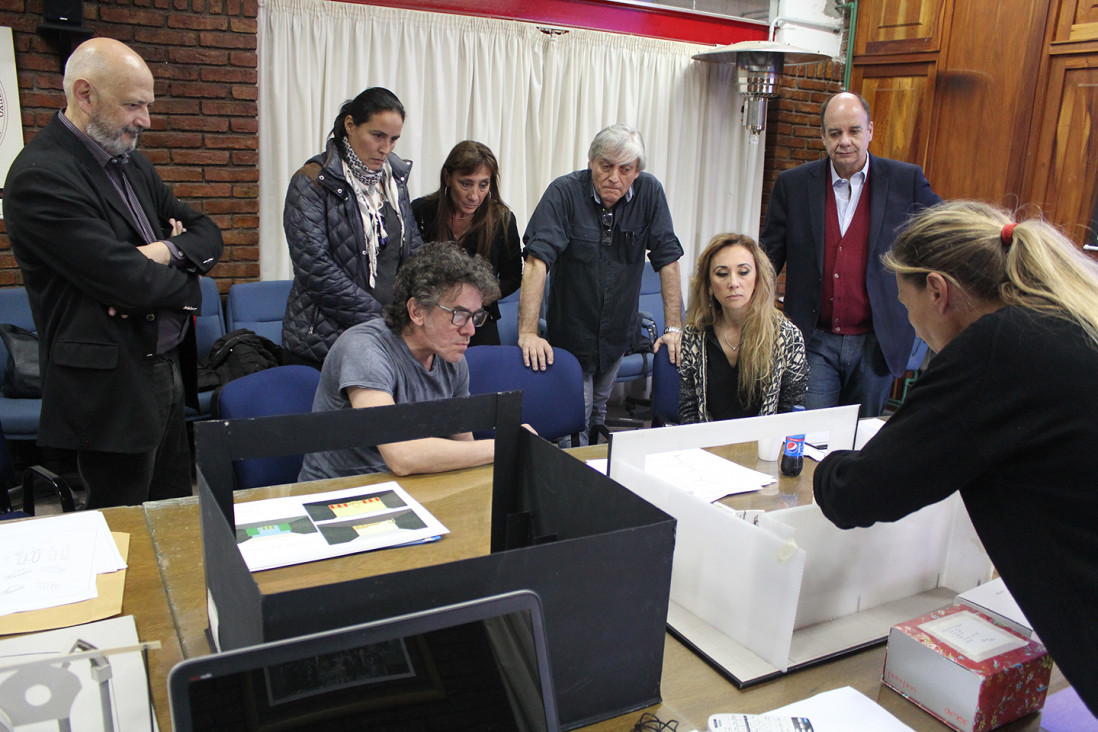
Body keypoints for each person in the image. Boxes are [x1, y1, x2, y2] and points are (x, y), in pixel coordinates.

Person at [813, 201, 1098, 715]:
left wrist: (826, 466)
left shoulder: (998, 349)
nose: (912, 324)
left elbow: (860, 493)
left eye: (905, 305)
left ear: (939, 291)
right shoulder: (1067, 319)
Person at [3, 38, 223, 508]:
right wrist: (192, 281)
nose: (145, 119)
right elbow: (129, 282)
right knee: (122, 524)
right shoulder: (41, 175)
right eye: (133, 105)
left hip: (164, 364)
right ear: (85, 94)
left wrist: (162, 251)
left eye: (146, 105)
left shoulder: (130, 162)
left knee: (171, 505)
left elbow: (207, 232)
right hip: (110, 384)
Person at [760, 91, 941, 418]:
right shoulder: (793, 185)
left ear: (870, 130)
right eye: (835, 133)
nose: (845, 141)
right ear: (822, 136)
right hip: (813, 339)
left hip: (877, 340)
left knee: (861, 438)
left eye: (854, 131)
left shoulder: (905, 181)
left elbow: (943, 232)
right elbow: (767, 259)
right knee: (811, 435)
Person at [518, 123, 683, 442]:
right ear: (591, 162)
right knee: (575, 416)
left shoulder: (650, 193)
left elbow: (668, 259)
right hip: (572, 332)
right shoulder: (564, 192)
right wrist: (527, 331)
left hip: (618, 332)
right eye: (606, 166)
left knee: (600, 412)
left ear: (636, 171)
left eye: (625, 169)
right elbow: (537, 260)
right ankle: (574, 474)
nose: (614, 177)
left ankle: (597, 463)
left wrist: (674, 326)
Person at [299, 241, 501, 480]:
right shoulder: (365, 349)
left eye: (475, 316)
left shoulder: (452, 358)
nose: (470, 330)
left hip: (410, 487)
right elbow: (402, 455)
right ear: (416, 311)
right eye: (458, 314)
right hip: (338, 494)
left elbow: (466, 447)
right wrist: (501, 446)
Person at [282, 87, 423, 368]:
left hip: (383, 337)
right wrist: (383, 319)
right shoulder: (312, 181)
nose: (386, 148)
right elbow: (315, 268)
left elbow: (412, 250)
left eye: (394, 139)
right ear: (350, 125)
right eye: (377, 136)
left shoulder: (394, 182)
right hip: (322, 342)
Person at [678, 234, 807, 423]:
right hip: (707, 446)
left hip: (764, 448)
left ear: (757, 277)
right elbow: (688, 412)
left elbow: (791, 416)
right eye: (722, 274)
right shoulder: (694, 334)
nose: (733, 283)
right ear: (709, 285)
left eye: (743, 272)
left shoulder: (787, 335)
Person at [411, 140, 522, 346]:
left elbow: (513, 277)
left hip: (479, 321)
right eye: (466, 183)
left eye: (483, 185)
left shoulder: (501, 219)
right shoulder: (422, 211)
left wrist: (478, 298)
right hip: (431, 318)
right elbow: (409, 270)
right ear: (448, 177)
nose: (474, 196)